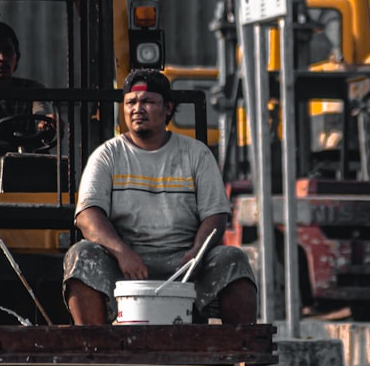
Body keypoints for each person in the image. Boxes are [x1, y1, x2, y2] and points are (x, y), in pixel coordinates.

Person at [63, 68, 257, 325]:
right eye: (131, 102)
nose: (137, 109)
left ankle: (241, 354)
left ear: (168, 108)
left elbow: (216, 216)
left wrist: (197, 254)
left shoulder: (196, 154)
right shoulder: (108, 155)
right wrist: (123, 253)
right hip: (125, 262)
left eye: (148, 102)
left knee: (233, 260)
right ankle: (95, 351)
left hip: (185, 263)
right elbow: (87, 216)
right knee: (82, 255)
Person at [0, 20, 54, 133]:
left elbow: (42, 113)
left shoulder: (32, 90)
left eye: (7, 51)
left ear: (17, 58)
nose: (2, 58)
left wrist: (46, 124)